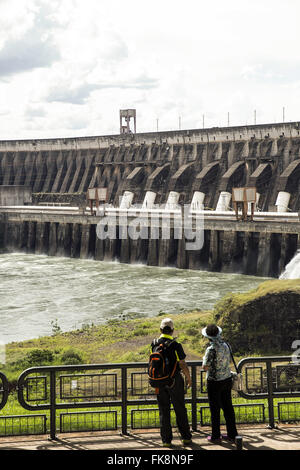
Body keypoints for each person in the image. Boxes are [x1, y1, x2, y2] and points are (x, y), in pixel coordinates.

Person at [151, 317, 192, 448]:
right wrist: (188, 377)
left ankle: (166, 440)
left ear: (160, 329)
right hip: (175, 380)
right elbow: (182, 363)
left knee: (164, 410)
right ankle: (186, 438)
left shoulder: (154, 343)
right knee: (180, 408)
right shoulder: (176, 345)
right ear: (172, 331)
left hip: (159, 381)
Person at [201, 323, 238, 443]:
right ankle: (233, 435)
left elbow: (205, 367)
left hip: (214, 382)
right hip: (227, 379)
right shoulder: (226, 345)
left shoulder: (210, 349)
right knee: (228, 408)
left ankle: (215, 436)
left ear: (209, 337)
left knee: (215, 410)